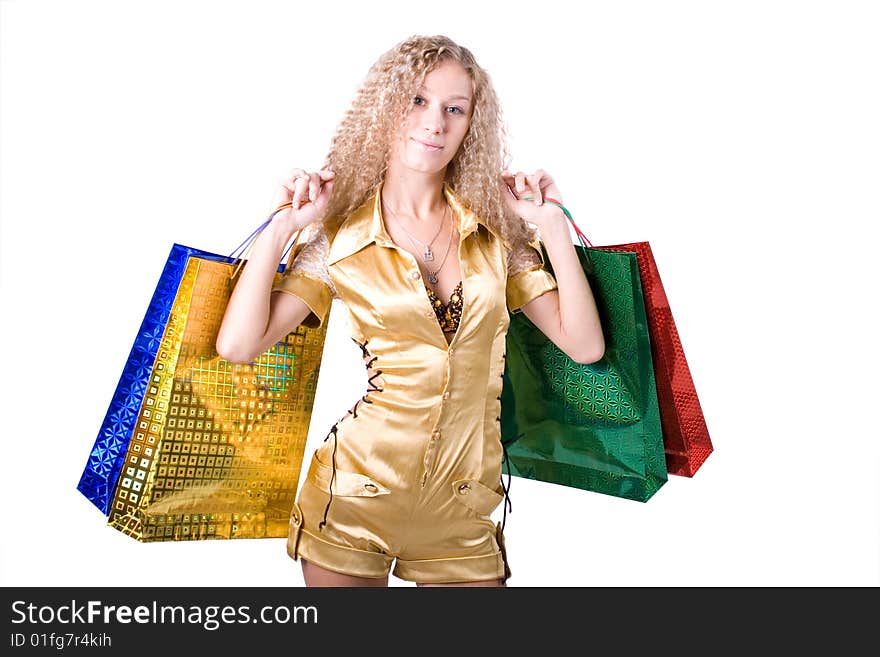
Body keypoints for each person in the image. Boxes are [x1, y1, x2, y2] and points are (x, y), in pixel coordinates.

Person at [215, 34, 604, 587]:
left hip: (462, 504)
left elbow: (585, 346)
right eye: (418, 100)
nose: (435, 122)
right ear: (387, 107)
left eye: (454, 108)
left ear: (471, 125)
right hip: (355, 493)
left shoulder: (497, 234)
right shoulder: (339, 236)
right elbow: (239, 344)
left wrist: (552, 229)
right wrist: (282, 228)